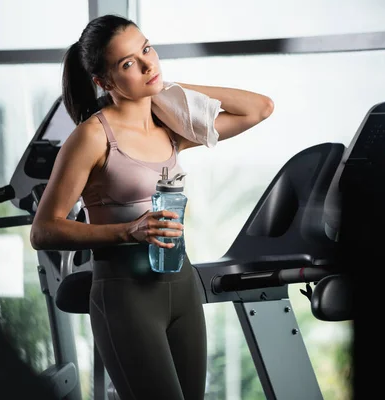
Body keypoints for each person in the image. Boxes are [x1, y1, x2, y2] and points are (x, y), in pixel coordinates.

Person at [30, 14, 274, 400]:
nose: (147, 64)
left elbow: (259, 108)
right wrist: (129, 231)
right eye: (129, 63)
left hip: (181, 284)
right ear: (104, 82)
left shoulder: (171, 126)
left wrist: (166, 88)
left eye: (147, 49)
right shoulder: (92, 136)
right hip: (125, 294)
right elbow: (43, 230)